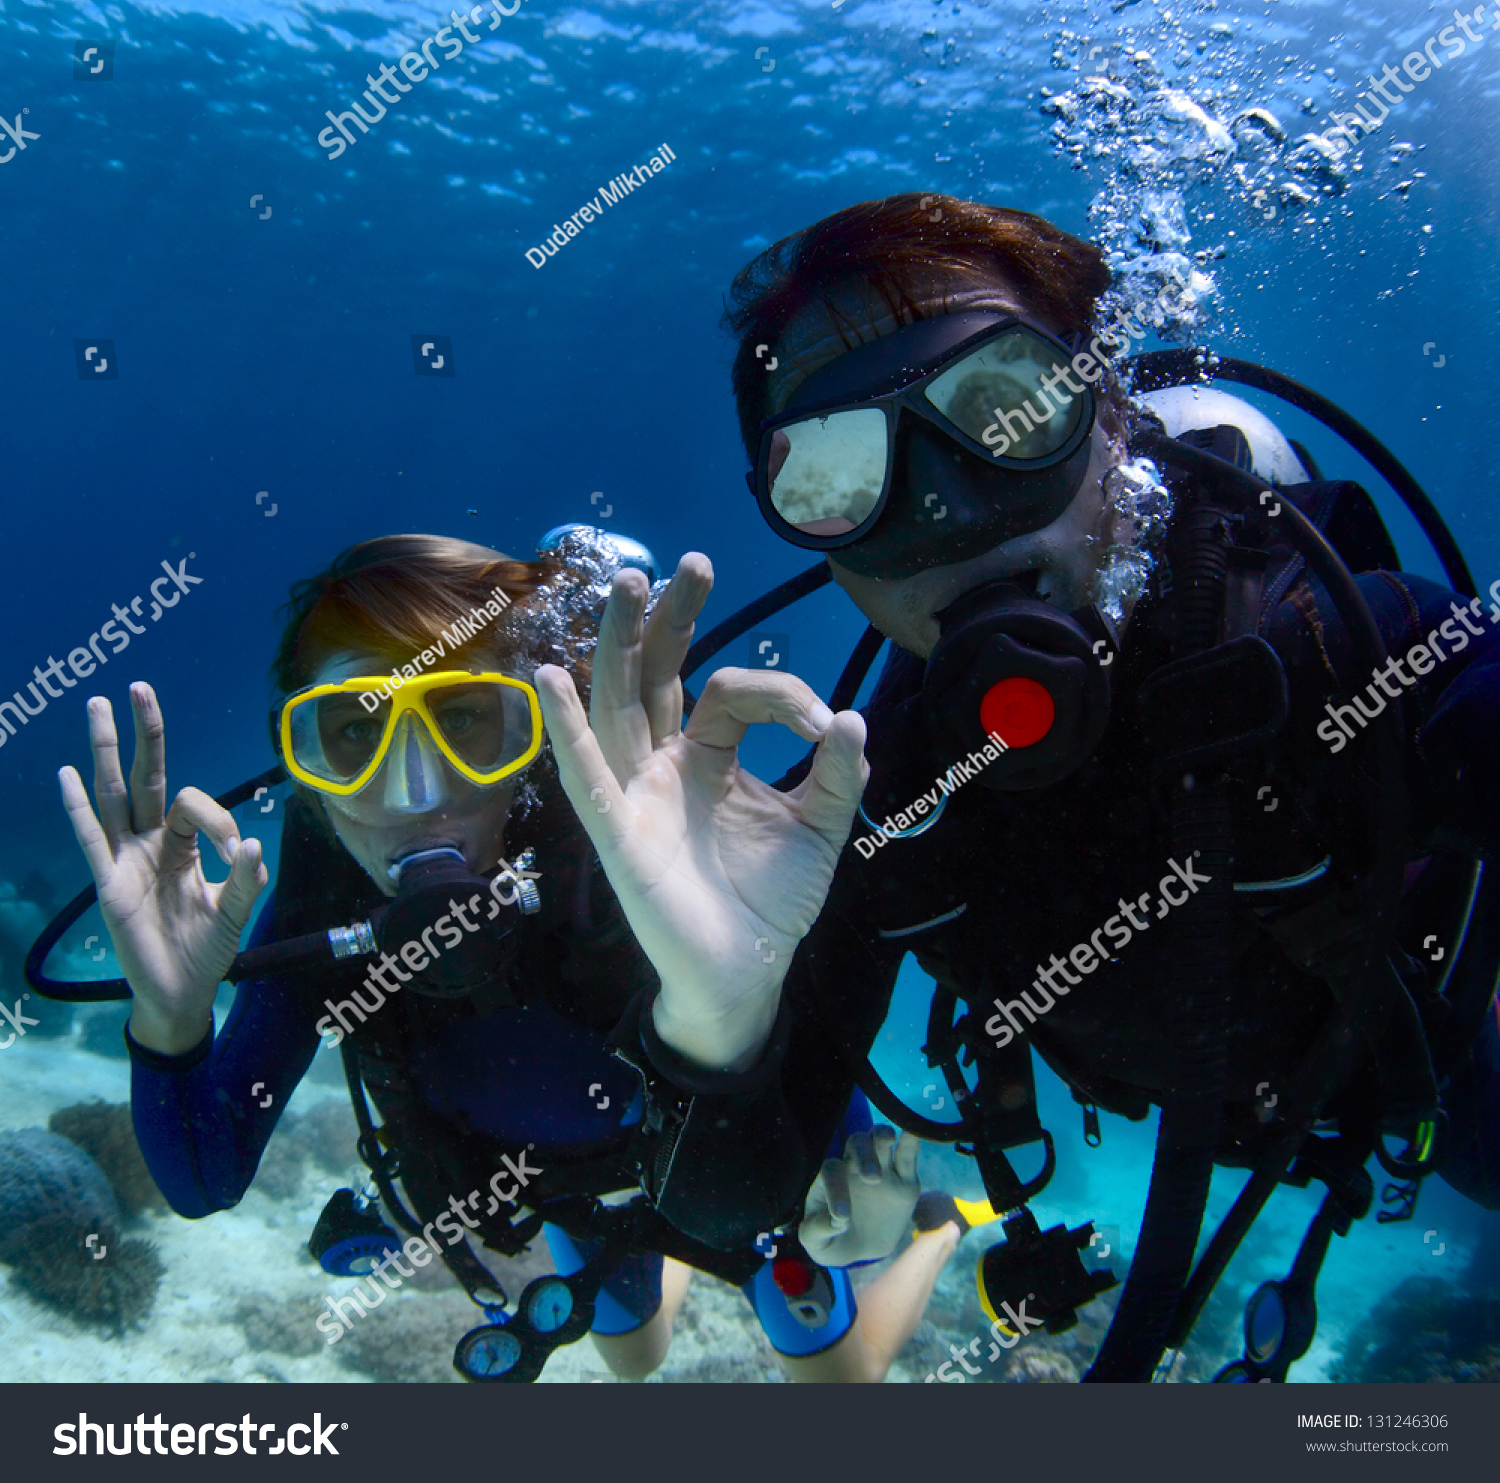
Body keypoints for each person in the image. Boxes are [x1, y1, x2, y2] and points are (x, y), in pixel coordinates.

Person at [535, 193, 1500, 1382]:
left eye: (1005, 409)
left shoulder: (1333, 646)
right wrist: (715, 1014)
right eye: (840, 469)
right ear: (811, 534)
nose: (946, 510)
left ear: (1110, 421)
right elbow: (732, 1215)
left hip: (1446, 1068)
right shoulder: (866, 800)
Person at [56, 532, 959, 1382]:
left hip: (723, 1158)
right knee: (633, 1360)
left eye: (466, 720)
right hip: (568, 1194)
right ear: (307, 766)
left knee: (839, 1380)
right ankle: (656, 1253)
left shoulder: (630, 850)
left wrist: (864, 1222)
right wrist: (171, 1022)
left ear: (531, 736)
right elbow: (203, 1176)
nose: (414, 792)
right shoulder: (322, 888)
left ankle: (940, 1234)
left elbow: (778, 1044)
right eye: (356, 733)